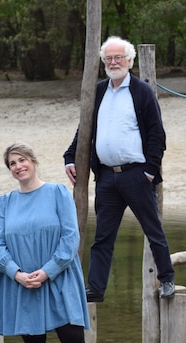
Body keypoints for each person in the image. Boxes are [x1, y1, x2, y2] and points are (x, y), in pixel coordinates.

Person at [0, 143, 104, 343]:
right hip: (23, 282)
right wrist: (17, 274)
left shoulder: (57, 193)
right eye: (12, 163)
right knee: (33, 342)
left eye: (22, 160)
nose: (18, 166)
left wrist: (48, 271)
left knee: (72, 337)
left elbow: (70, 238)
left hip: (58, 276)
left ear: (33, 161)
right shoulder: (5, 202)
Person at [63, 35, 174, 303]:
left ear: (130, 61)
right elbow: (84, 130)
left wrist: (149, 171)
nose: (113, 63)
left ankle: (167, 279)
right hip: (106, 177)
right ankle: (95, 289)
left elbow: (157, 134)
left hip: (137, 175)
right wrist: (70, 157)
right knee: (102, 237)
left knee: (153, 231)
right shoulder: (98, 91)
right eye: (108, 59)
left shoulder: (141, 91)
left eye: (118, 58)